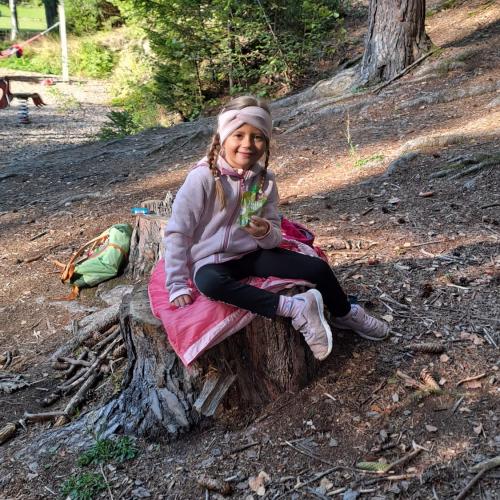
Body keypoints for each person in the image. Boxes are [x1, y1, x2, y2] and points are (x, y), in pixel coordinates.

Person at [164, 95, 389, 361]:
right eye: (239, 135)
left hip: (250, 254)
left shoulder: (264, 180)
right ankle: (295, 308)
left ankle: (344, 313)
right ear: (223, 137)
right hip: (210, 260)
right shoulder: (202, 178)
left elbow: (273, 235)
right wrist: (177, 283)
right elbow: (178, 232)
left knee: (316, 268)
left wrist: (264, 233)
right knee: (209, 283)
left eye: (257, 137)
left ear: (267, 141)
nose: (248, 144)